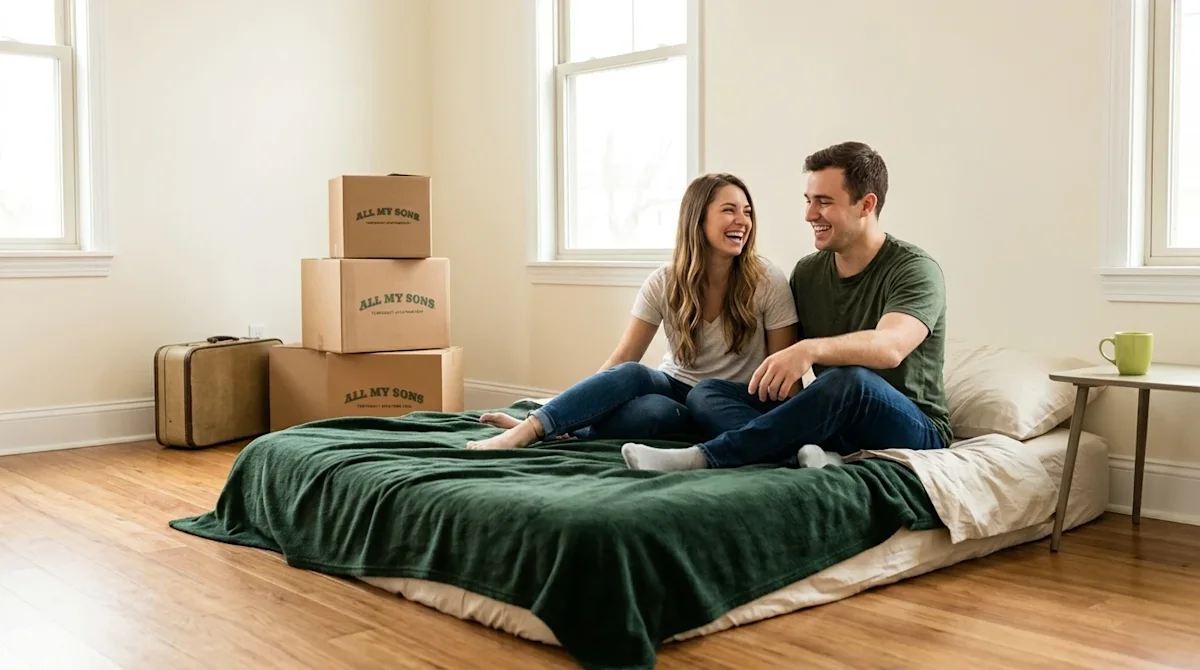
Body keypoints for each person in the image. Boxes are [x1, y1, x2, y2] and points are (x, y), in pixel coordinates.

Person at [621, 141, 953, 471]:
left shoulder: (914, 269)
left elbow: (889, 346)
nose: (810, 215)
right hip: (836, 424)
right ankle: (803, 454)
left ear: (866, 205)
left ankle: (705, 456)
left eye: (824, 202)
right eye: (809, 201)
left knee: (850, 380)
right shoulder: (808, 272)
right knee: (708, 393)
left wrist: (808, 350)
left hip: (913, 426)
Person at [465, 172, 800, 450]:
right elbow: (622, 359)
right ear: (698, 219)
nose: (743, 221)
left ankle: (559, 428)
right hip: (676, 389)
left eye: (747, 212)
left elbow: (784, 377)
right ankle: (531, 429)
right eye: (729, 210)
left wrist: (794, 427)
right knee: (640, 384)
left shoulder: (767, 280)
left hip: (729, 399)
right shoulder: (664, 281)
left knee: (662, 414)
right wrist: (566, 405)